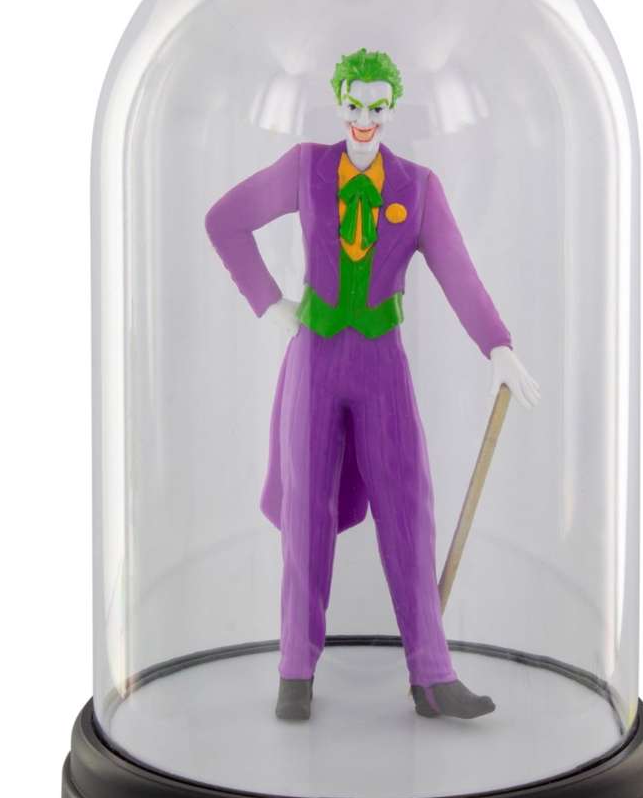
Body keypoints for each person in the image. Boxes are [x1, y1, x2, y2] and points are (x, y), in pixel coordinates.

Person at [206, 48, 540, 721]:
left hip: (383, 364)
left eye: (377, 107)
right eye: (353, 105)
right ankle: (295, 669)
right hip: (316, 358)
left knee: (408, 507)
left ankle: (432, 674)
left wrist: (497, 344)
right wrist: (269, 302)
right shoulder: (306, 168)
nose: (364, 118)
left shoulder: (416, 187)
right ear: (339, 104)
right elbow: (225, 221)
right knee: (306, 515)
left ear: (392, 109)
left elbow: (457, 271)